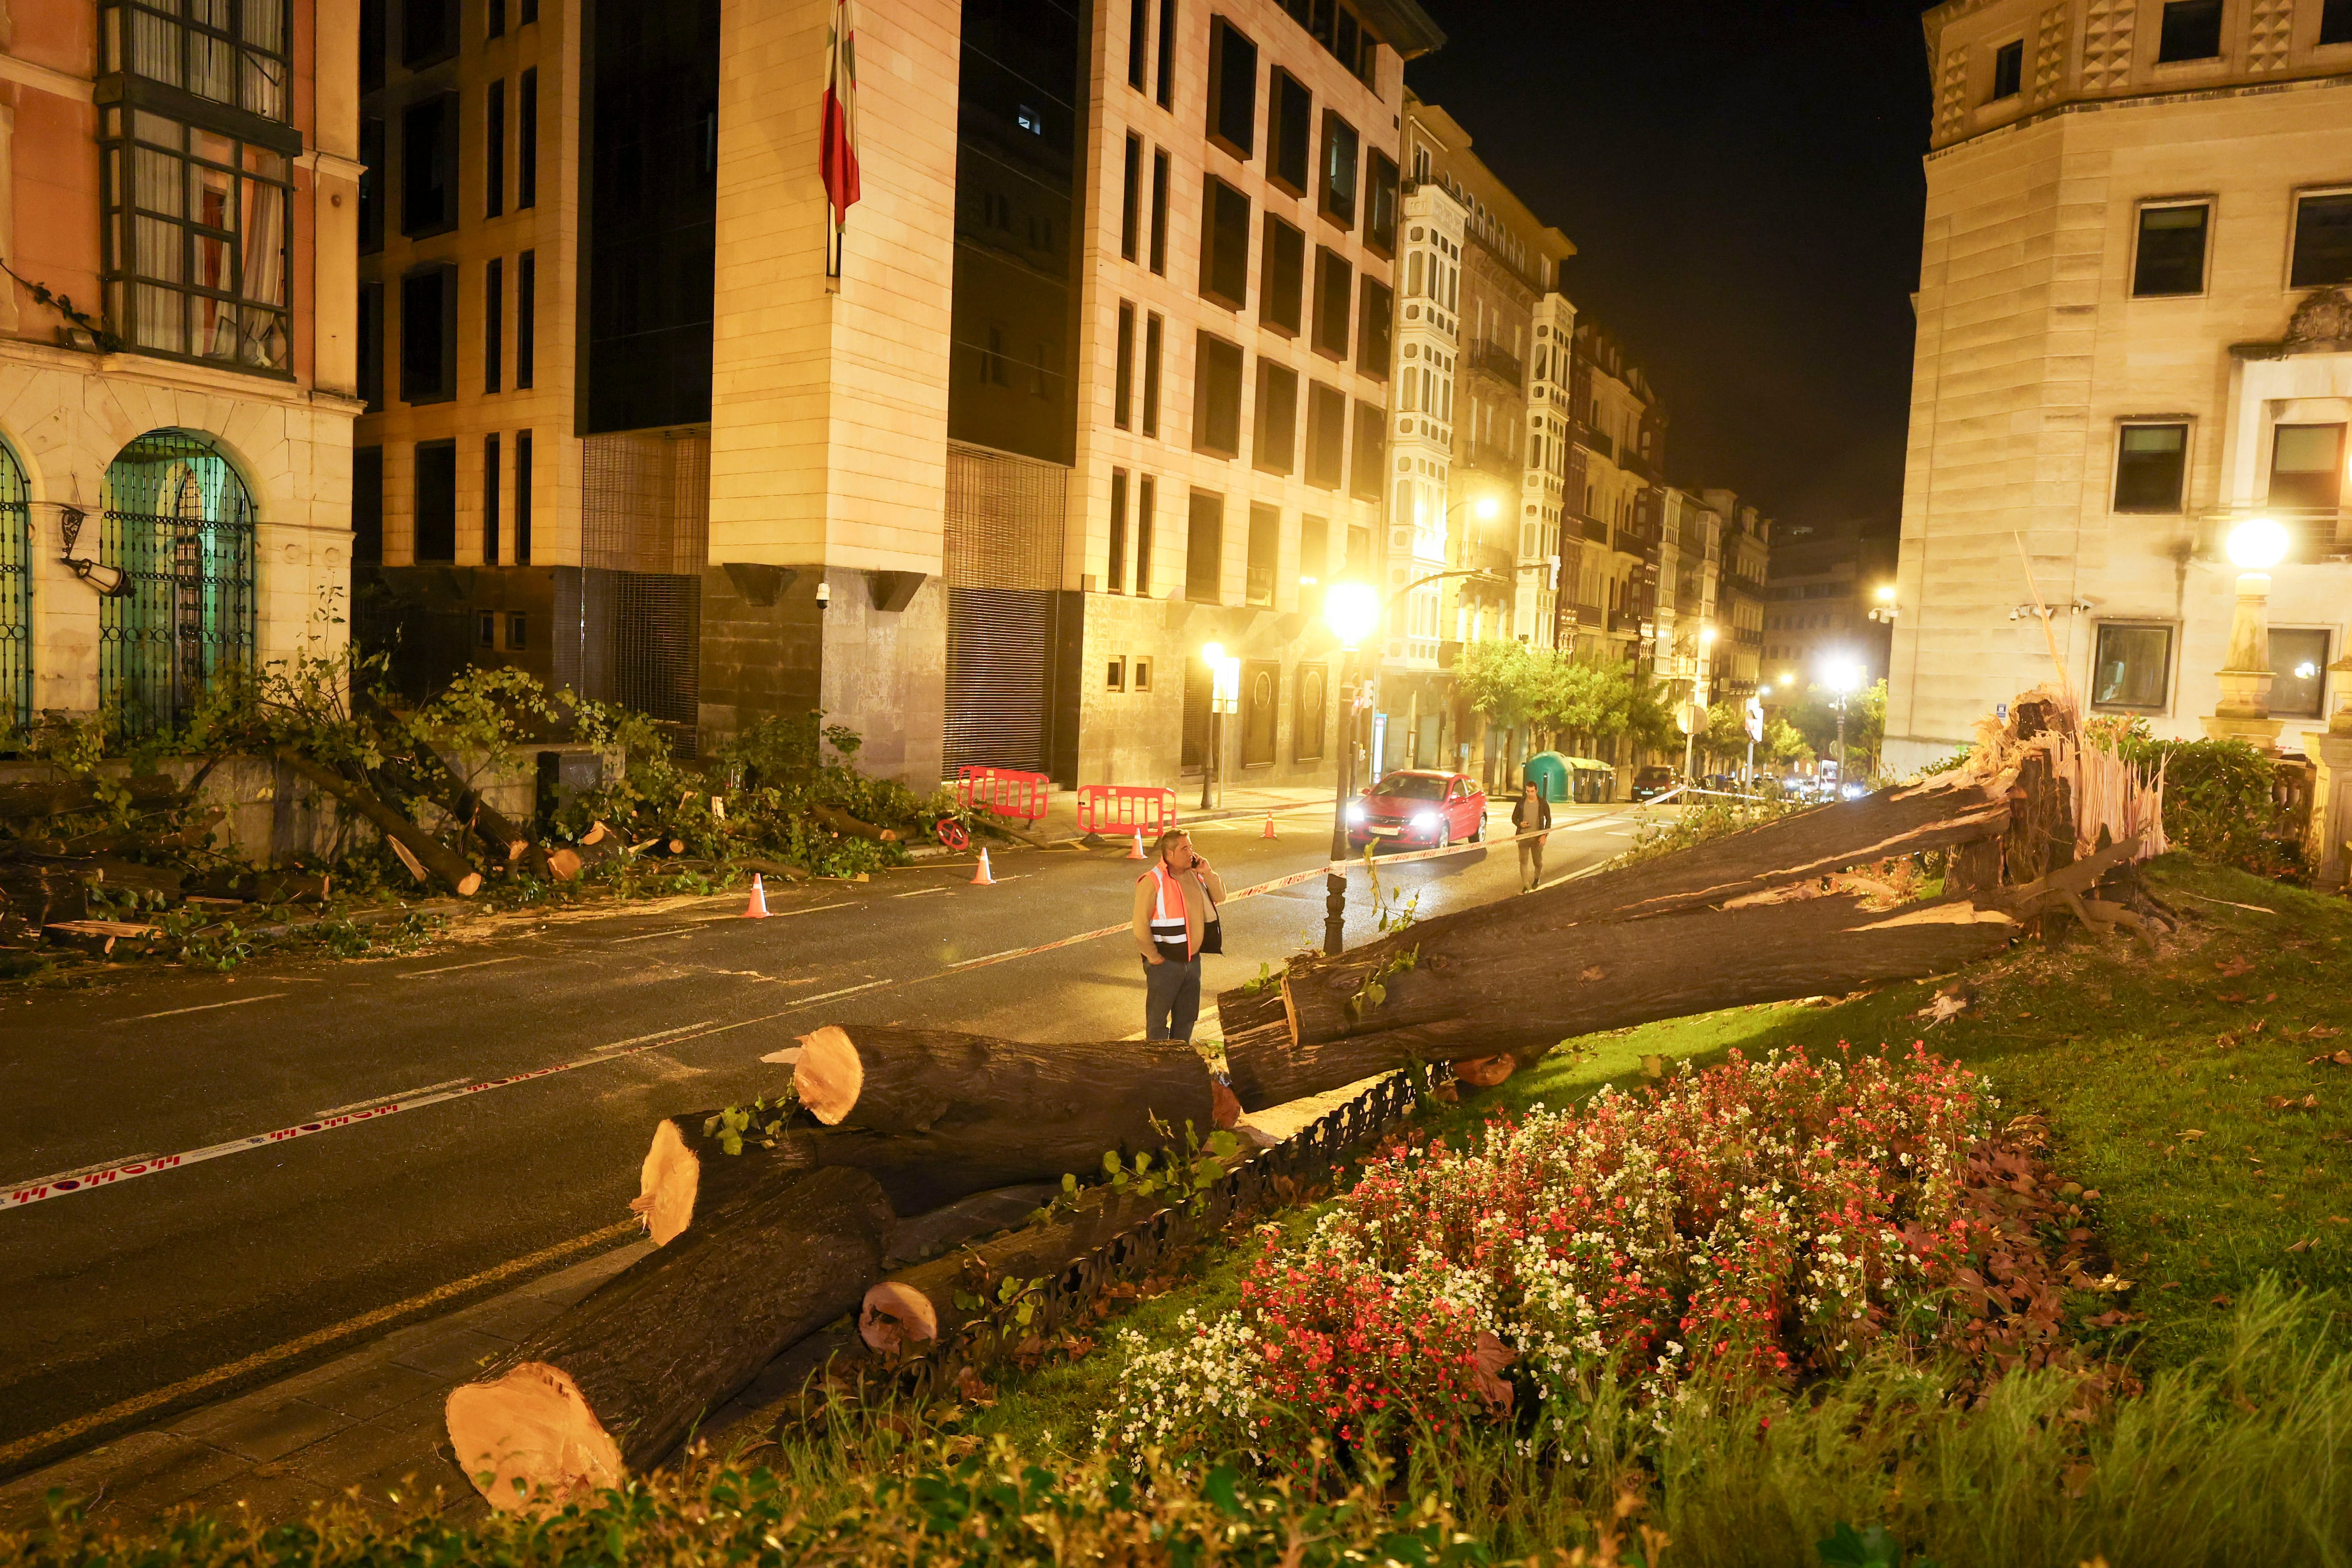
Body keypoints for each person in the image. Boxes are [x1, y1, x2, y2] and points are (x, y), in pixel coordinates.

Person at [1131, 829, 1226, 1041]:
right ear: (1170, 854)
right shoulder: (1153, 881)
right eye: (1185, 848)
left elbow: (1220, 896)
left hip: (1192, 961)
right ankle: (1158, 1065)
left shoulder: (1196, 875)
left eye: (1191, 847)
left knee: (1186, 1018)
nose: (1191, 853)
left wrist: (1208, 872)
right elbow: (1139, 924)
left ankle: (1180, 1062)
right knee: (1158, 1022)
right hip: (1166, 963)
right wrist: (1153, 957)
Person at [1510, 779, 1552, 892]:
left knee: (1537, 862)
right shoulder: (1521, 802)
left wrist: (1545, 835)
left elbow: (1548, 819)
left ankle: (1537, 878)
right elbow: (1514, 818)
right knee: (1523, 862)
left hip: (1537, 838)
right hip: (1523, 836)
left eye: (1532, 791)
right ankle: (1525, 885)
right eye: (1528, 791)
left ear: (1536, 791)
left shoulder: (1542, 803)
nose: (1530, 794)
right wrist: (1520, 824)